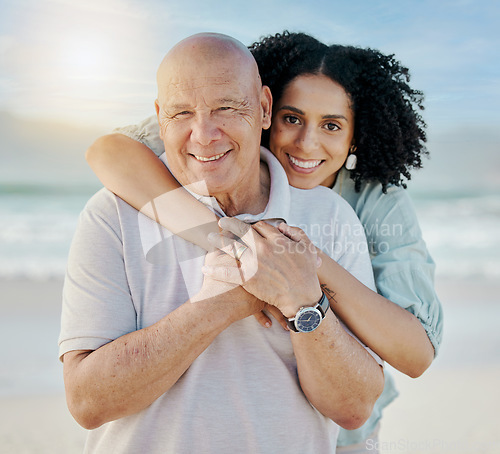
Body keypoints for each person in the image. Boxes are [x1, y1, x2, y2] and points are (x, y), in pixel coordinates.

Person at [85, 31, 444, 452]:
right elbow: (110, 151)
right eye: (293, 118)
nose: (306, 143)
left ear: (355, 137)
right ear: (266, 112)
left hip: (346, 434)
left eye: (331, 125)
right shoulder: (213, 131)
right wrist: (234, 246)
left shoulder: (366, 201)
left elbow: (416, 352)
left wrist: (302, 263)